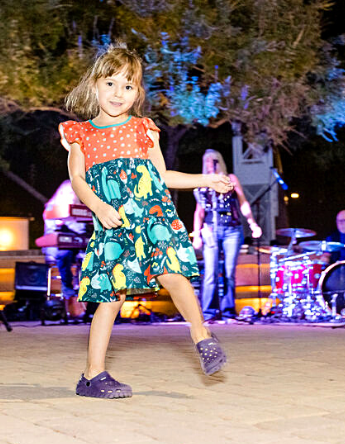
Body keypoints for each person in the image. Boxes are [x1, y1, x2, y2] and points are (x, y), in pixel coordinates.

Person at [59, 43, 233, 399]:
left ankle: (202, 335)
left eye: (128, 86)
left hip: (152, 219)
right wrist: (98, 206)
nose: (118, 93)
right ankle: (92, 376)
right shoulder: (81, 135)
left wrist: (207, 179)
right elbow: (77, 179)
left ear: (137, 93)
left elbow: (162, 175)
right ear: (94, 86)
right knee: (111, 297)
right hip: (113, 225)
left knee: (174, 275)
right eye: (110, 83)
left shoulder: (143, 130)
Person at [192, 150, 263, 322]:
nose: (210, 163)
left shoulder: (230, 179)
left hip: (232, 229)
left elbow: (243, 202)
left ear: (219, 161)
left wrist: (252, 223)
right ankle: (208, 312)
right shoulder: (202, 183)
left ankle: (228, 311)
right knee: (210, 271)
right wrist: (196, 234)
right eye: (206, 160)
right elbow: (199, 211)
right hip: (210, 229)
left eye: (213, 160)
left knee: (229, 271)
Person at [42, 180, 87, 319]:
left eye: (72, 193)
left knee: (91, 257)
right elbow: (52, 232)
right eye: (68, 192)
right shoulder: (52, 208)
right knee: (64, 254)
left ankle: (89, 298)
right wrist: (62, 222)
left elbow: (82, 229)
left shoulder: (78, 208)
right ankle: (68, 290)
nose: (70, 195)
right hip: (59, 247)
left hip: (77, 246)